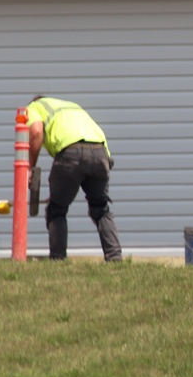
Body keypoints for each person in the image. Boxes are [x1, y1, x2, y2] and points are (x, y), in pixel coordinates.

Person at [26, 95, 123, 261]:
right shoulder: (70, 107)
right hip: (101, 153)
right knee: (100, 208)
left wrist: (30, 167)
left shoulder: (34, 106)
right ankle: (115, 258)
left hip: (71, 152)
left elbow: (35, 132)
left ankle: (57, 259)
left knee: (57, 209)